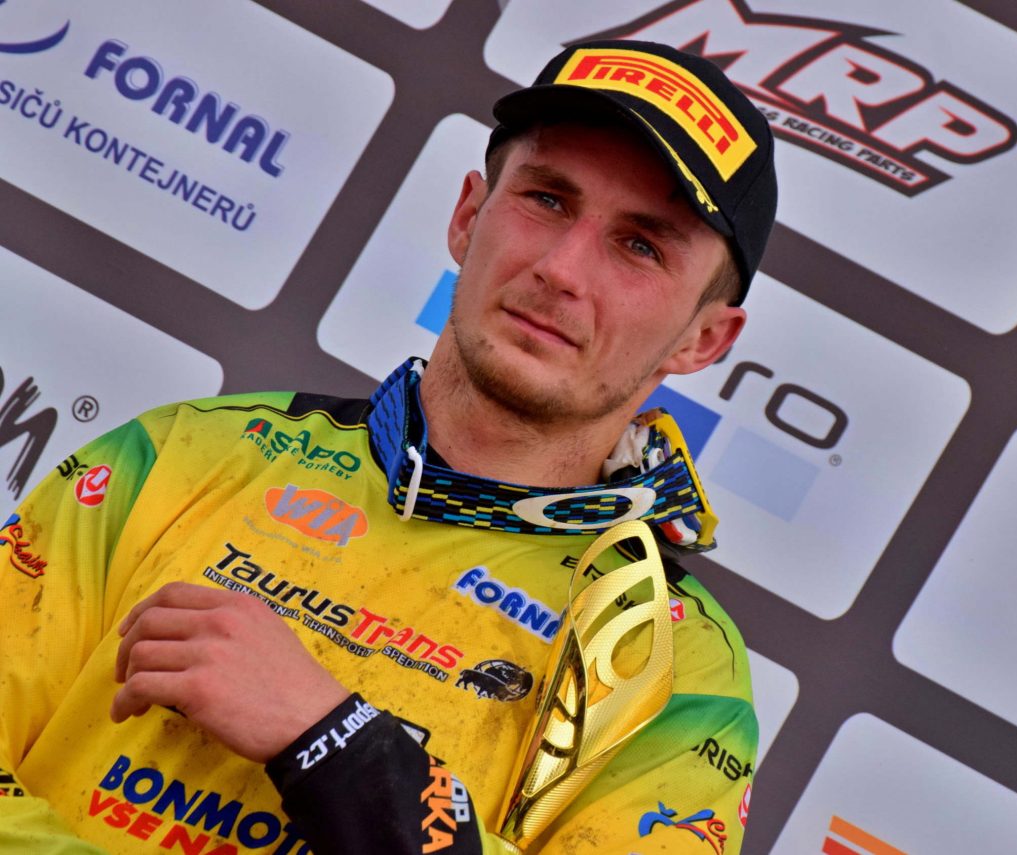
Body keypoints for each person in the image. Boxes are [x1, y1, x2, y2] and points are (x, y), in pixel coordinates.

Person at [0, 38, 776, 854]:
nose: (562, 269)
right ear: (468, 215)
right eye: (547, 199)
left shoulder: (675, 661)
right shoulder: (181, 455)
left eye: (641, 246)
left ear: (703, 339)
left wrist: (332, 743)